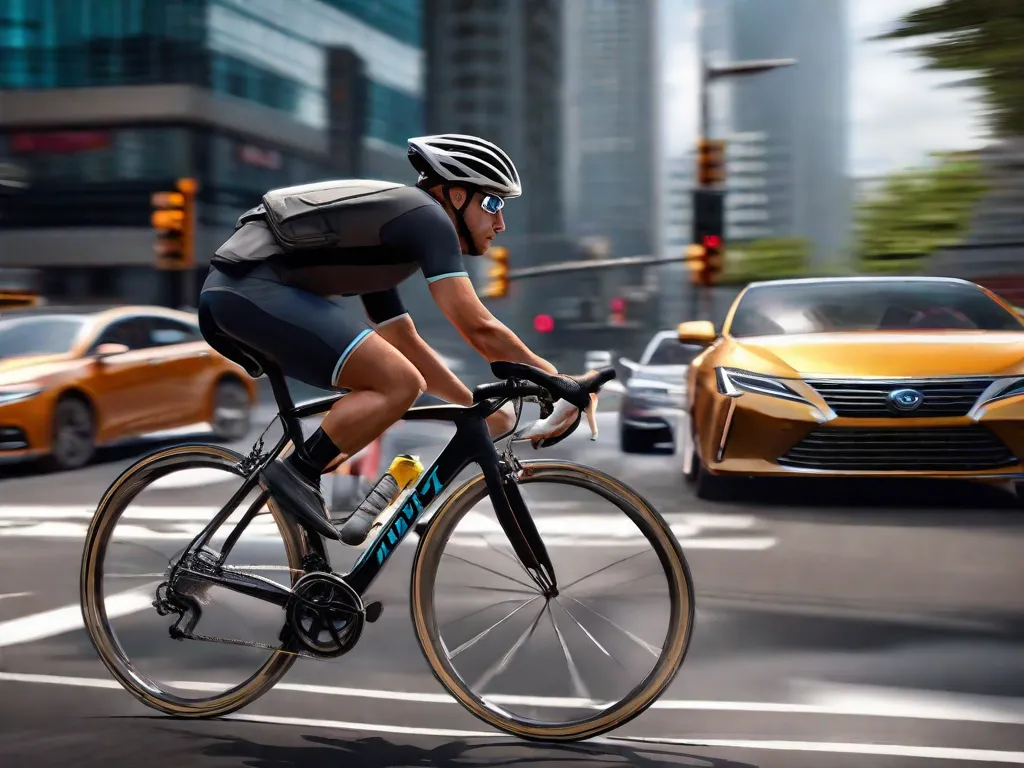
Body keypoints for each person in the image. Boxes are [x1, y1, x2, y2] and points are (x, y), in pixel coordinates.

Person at [197, 133, 590, 545]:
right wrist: (556, 378)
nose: (500, 222)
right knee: (397, 383)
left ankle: (308, 559)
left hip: (238, 296)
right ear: (456, 195)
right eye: (492, 204)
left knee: (392, 381)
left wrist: (471, 407)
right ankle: (297, 472)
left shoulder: (385, 239)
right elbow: (476, 324)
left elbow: (403, 340)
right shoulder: (426, 217)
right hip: (248, 291)